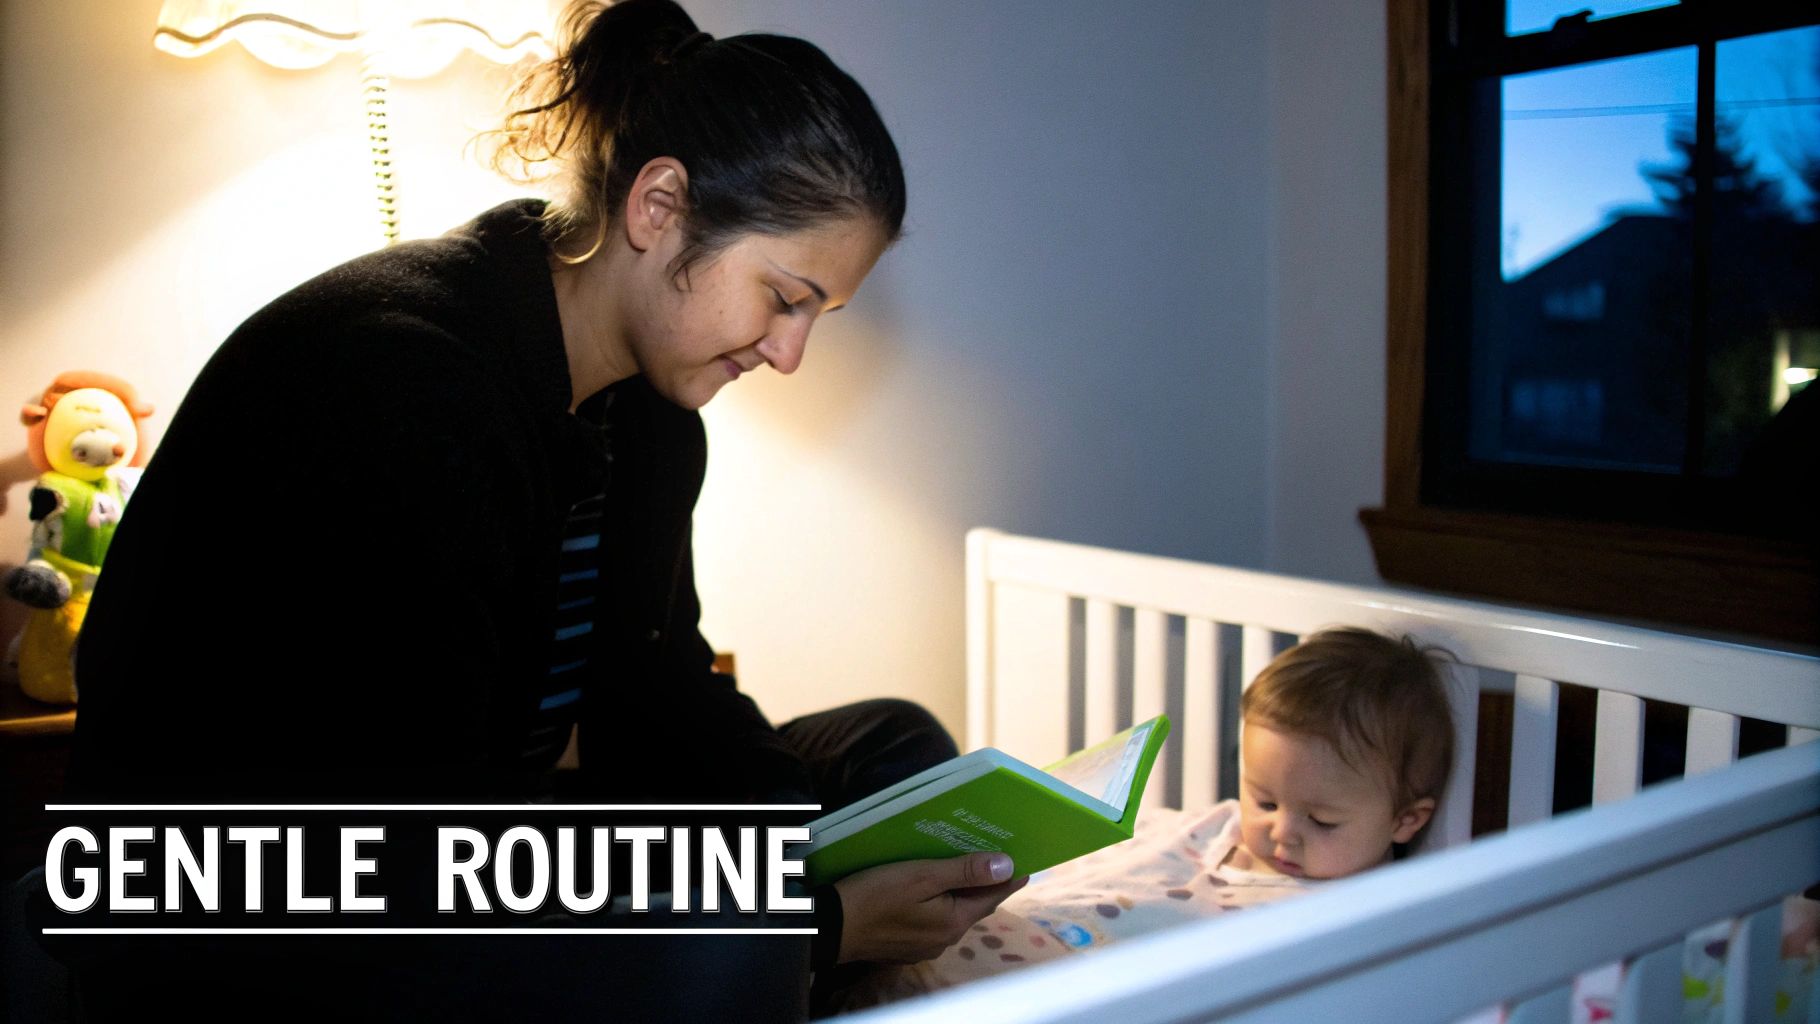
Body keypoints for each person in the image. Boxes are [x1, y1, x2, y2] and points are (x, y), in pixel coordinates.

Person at [55, 0, 1020, 1016]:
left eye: (814, 315)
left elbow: (652, 685)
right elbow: (415, 845)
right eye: (783, 297)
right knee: (729, 933)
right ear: (658, 207)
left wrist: (830, 841)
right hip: (270, 898)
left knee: (892, 755)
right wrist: (816, 919)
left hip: (453, 835)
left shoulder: (649, 415)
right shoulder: (402, 382)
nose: (788, 354)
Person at [829, 627, 1456, 1008]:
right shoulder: (1205, 828)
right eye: (1263, 799)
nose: (1280, 831)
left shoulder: (1377, 922)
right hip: (895, 980)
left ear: (1407, 819)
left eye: (1322, 821)